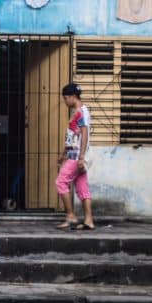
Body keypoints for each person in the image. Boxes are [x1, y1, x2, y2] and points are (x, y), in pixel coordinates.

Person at [54, 83, 95, 230]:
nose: (65, 102)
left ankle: (71, 216)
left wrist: (81, 157)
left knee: (60, 182)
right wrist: (63, 154)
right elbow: (73, 137)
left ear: (72, 97)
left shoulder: (80, 112)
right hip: (74, 154)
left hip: (77, 156)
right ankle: (89, 221)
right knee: (82, 186)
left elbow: (84, 134)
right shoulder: (79, 112)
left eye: (65, 98)